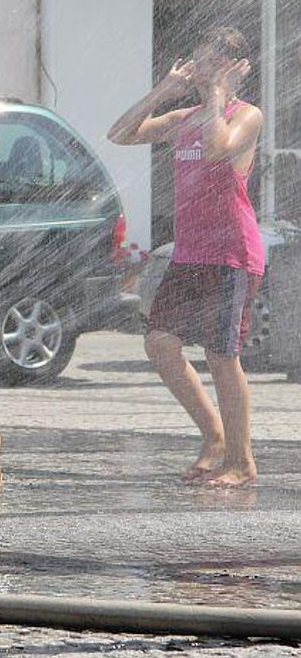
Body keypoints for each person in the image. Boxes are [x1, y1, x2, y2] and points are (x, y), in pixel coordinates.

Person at [108, 26, 263, 489]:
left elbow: (218, 148)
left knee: (222, 355)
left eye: (216, 63)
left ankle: (241, 460)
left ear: (238, 70)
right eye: (201, 62)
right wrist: (165, 89)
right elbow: (120, 133)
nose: (204, 72)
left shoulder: (246, 115)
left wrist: (217, 96)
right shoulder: (183, 117)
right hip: (190, 253)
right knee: (159, 342)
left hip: (231, 254)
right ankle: (214, 436)